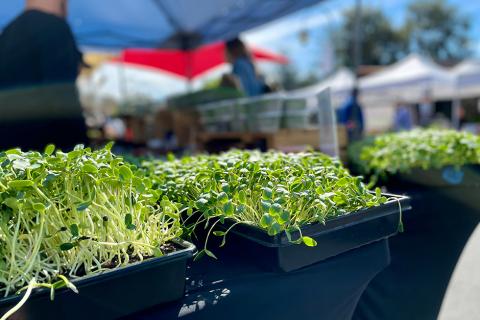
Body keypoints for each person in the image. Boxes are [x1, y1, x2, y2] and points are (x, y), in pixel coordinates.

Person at [0, 0, 88, 151]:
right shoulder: (55, 29)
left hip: (9, 156)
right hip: (42, 157)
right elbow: (62, 99)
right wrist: (81, 150)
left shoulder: (7, 32)